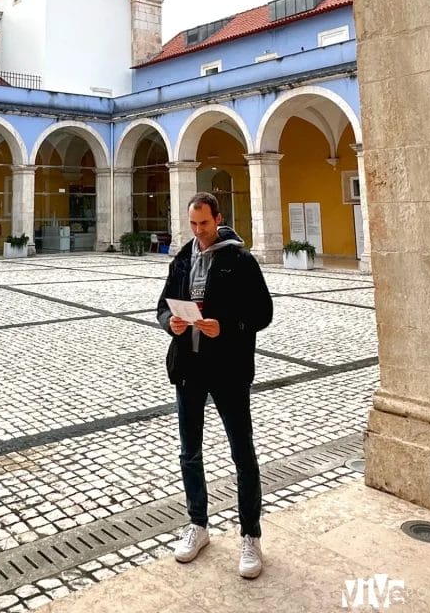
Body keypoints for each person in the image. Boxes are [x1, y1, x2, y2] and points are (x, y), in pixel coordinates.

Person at [157, 191, 273, 578]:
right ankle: (198, 525)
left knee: (242, 452)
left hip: (228, 369)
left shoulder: (239, 260)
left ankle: (250, 535)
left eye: (203, 224)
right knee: (189, 451)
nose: (198, 231)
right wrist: (168, 323)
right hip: (188, 367)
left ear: (217, 219)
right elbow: (162, 304)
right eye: (192, 224)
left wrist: (227, 326)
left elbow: (262, 312)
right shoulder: (183, 258)